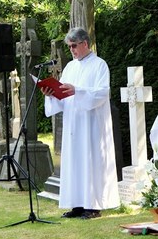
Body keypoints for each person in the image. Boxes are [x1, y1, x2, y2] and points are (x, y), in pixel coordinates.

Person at [41, 27, 119, 219]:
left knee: (90, 161)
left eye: (74, 46)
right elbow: (63, 94)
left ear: (85, 43)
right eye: (69, 47)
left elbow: (102, 93)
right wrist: (51, 95)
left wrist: (79, 91)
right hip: (73, 123)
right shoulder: (70, 67)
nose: (72, 50)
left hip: (92, 124)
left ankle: (93, 205)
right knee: (74, 162)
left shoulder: (100, 65)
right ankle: (76, 204)